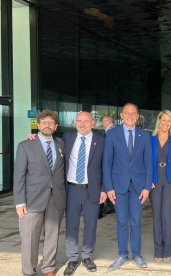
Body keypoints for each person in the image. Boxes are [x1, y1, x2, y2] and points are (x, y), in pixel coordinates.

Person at [14, 110, 65, 276]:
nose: (47, 125)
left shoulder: (60, 144)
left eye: (51, 123)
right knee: (29, 238)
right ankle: (29, 271)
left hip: (55, 198)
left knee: (52, 235)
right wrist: (19, 202)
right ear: (38, 125)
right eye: (44, 122)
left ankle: (48, 267)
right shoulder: (25, 145)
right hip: (32, 199)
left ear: (56, 126)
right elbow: (19, 175)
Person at [103, 103, 152, 270]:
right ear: (121, 116)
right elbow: (107, 162)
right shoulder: (112, 134)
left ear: (137, 116)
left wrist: (147, 187)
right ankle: (123, 254)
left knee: (136, 221)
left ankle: (137, 254)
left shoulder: (144, 136)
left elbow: (148, 162)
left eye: (133, 113)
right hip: (118, 186)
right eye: (127, 113)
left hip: (138, 186)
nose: (130, 115)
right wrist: (108, 187)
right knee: (122, 221)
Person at [62, 112, 107, 276]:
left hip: (92, 189)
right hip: (71, 189)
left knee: (91, 225)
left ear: (92, 123)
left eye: (86, 121)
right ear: (75, 123)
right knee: (71, 225)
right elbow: (47, 141)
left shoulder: (101, 140)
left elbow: (105, 166)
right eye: (79, 121)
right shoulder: (67, 138)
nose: (82, 124)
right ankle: (72, 259)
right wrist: (32, 137)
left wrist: (104, 189)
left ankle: (87, 256)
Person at [150, 110, 171, 263]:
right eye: (163, 120)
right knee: (156, 215)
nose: (165, 123)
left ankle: (167, 249)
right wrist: (147, 180)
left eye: (168, 121)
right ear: (159, 121)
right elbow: (145, 161)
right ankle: (158, 250)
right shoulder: (150, 139)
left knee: (166, 215)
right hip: (155, 180)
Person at [99, 116, 115, 218]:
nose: (102, 123)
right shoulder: (112, 131)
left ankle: (110, 205)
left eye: (103, 121)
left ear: (108, 121)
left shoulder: (111, 132)